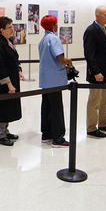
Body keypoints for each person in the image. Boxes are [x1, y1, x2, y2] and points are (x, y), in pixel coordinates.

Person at [38, 14, 72, 147]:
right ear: (52, 25)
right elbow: (61, 59)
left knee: (46, 106)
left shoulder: (43, 40)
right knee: (56, 108)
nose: (57, 25)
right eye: (56, 23)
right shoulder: (54, 39)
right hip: (55, 80)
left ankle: (46, 133)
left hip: (46, 79)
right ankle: (58, 138)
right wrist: (68, 61)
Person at [83, 5, 106, 139]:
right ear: (98, 16)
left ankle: (103, 124)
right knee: (94, 101)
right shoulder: (91, 31)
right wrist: (96, 72)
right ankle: (91, 128)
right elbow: (89, 54)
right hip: (97, 74)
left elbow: (105, 51)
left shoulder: (104, 29)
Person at [0, 16, 24, 146]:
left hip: (13, 78)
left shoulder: (9, 41)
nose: (12, 29)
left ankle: (5, 131)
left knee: (9, 107)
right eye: (9, 27)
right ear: (1, 29)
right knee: (2, 107)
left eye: (12, 26)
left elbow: (14, 59)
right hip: (4, 82)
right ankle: (0, 135)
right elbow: (0, 67)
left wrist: (19, 70)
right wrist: (9, 84)